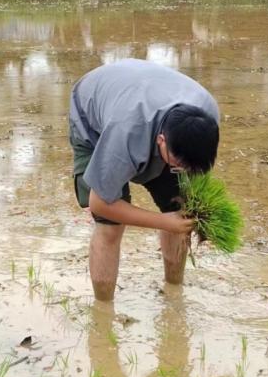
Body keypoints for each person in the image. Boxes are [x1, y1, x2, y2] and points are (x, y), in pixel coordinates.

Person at [69, 58, 220, 301]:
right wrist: (163, 222)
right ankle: (104, 310)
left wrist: (192, 215)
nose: (182, 170)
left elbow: (195, 169)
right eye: (178, 164)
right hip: (92, 114)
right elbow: (100, 203)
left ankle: (174, 293)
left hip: (142, 92)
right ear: (161, 141)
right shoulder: (125, 133)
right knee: (110, 225)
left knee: (179, 208)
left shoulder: (207, 114)